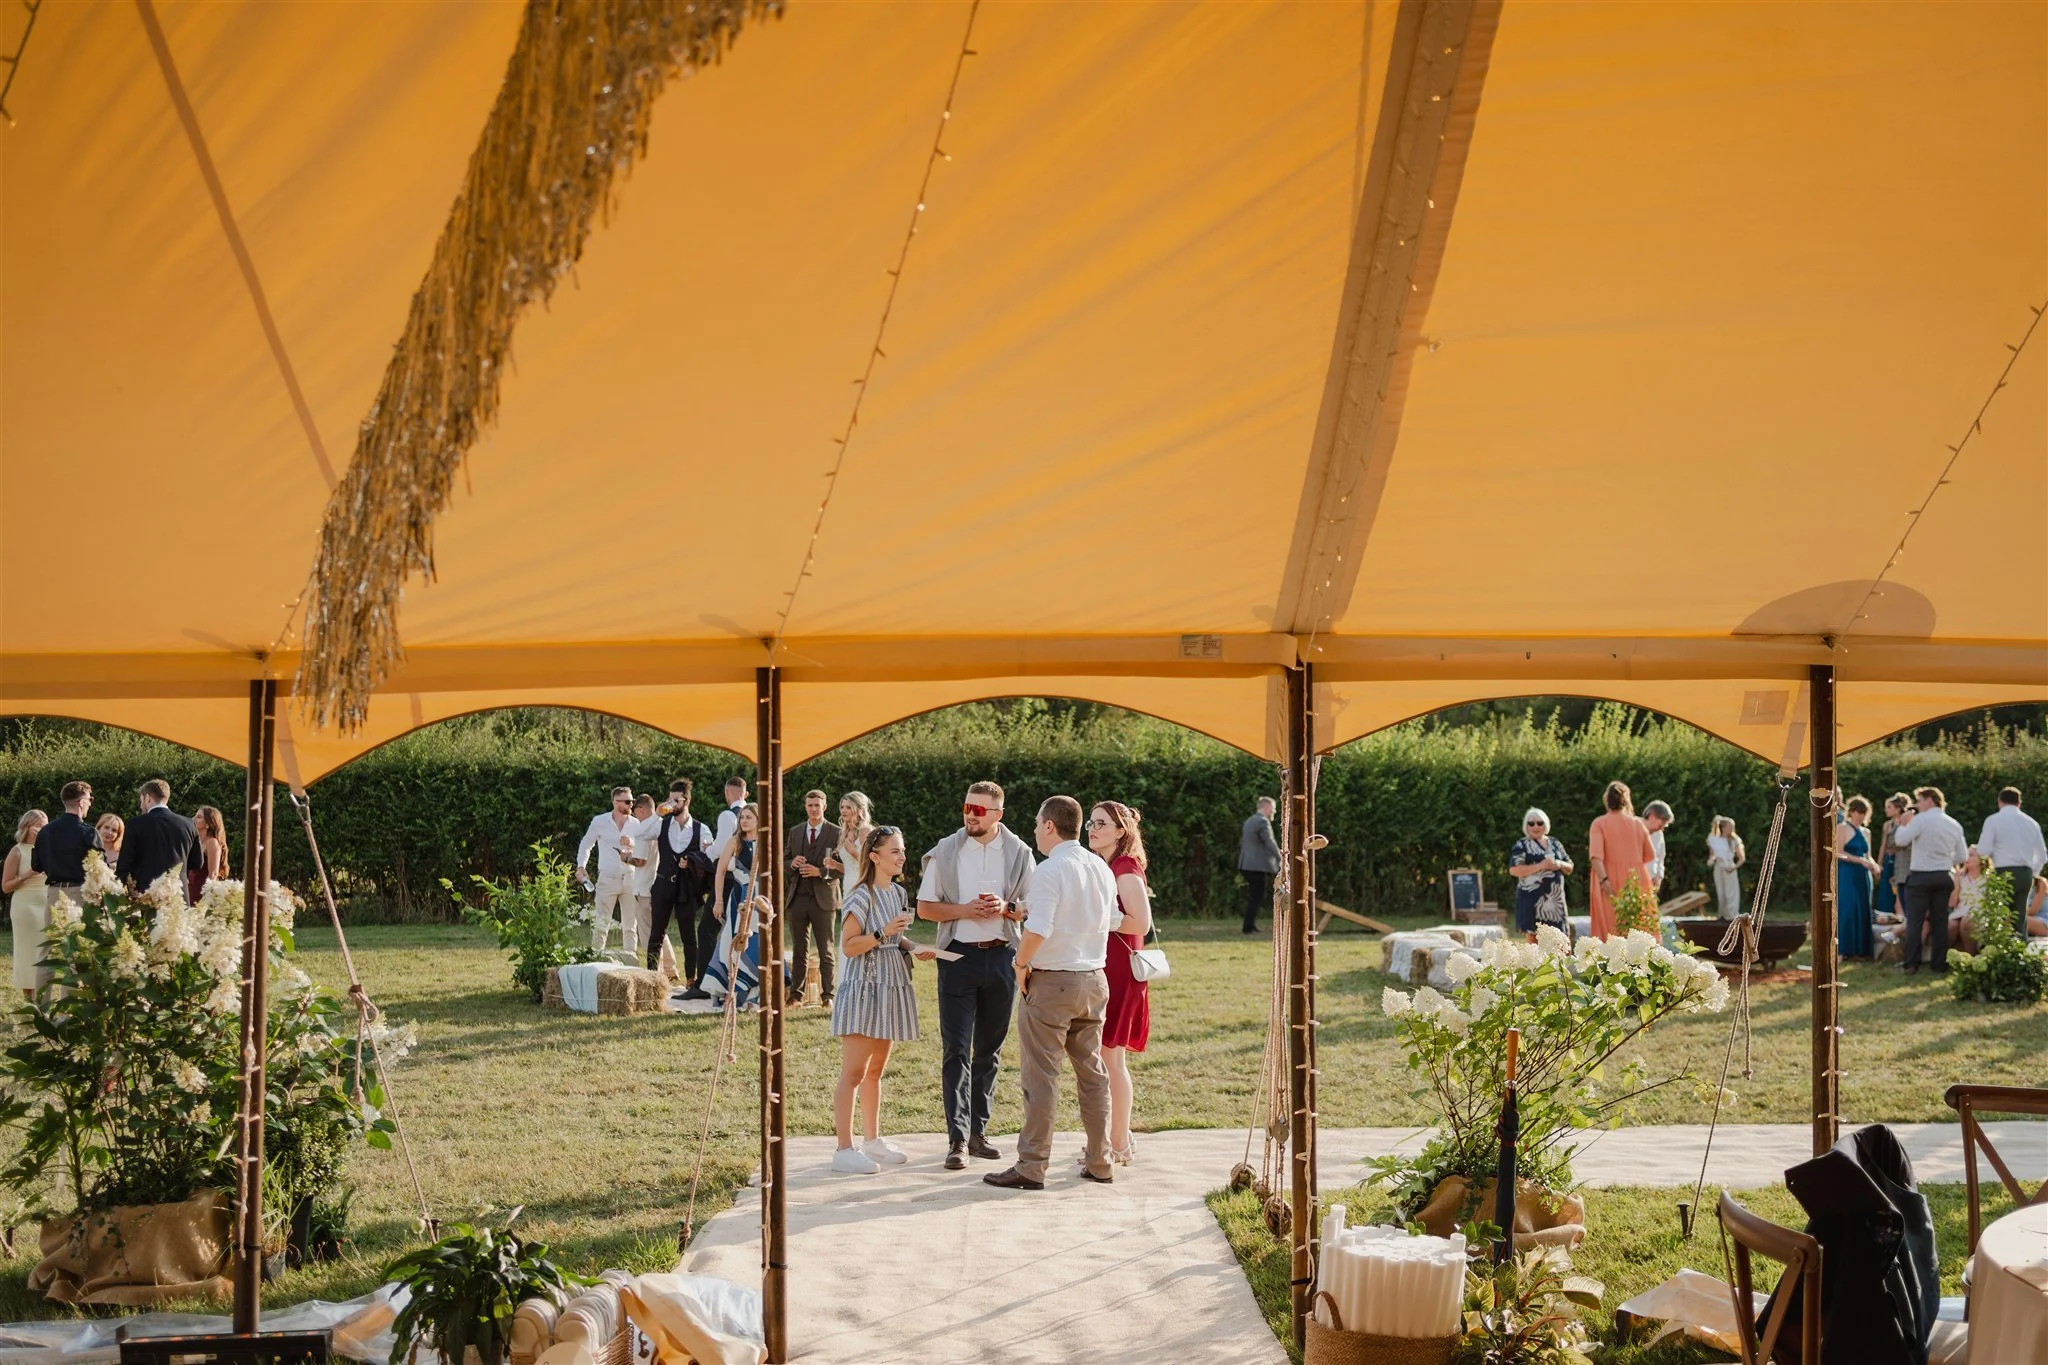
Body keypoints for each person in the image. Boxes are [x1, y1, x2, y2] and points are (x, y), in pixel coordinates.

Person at [985, 795, 1120, 1192]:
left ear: (1048, 826)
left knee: (1041, 1075)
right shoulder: (1100, 866)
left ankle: (1032, 1165)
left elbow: (1039, 929)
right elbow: (1112, 919)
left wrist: (1020, 966)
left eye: (1036, 822)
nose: (1034, 829)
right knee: (1093, 1074)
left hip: (1052, 982)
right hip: (1094, 979)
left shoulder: (1049, 870)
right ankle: (1100, 1160)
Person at [917, 781, 1035, 1171]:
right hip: (957, 959)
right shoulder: (946, 850)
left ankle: (978, 1134)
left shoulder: (1020, 853)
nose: (970, 814)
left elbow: (1033, 906)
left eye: (979, 810)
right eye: (967, 806)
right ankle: (956, 1140)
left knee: (989, 1051)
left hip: (1002, 960)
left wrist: (1008, 907)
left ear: (998, 814)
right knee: (956, 1050)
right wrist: (965, 910)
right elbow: (925, 908)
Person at [829, 826, 935, 1173]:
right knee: (854, 1073)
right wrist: (882, 933)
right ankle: (844, 1150)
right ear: (874, 857)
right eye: (895, 851)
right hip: (865, 987)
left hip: (892, 984)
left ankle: (872, 1142)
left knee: (875, 1071)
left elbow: (896, 938)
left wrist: (914, 946)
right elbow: (849, 946)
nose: (902, 856)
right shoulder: (860, 896)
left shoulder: (899, 893)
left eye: (902, 850)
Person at [1087, 801, 1151, 1167]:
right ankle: (1115, 1137)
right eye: (1092, 823)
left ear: (1120, 831)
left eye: (1102, 823)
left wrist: (1100, 916)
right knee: (1104, 1057)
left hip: (1121, 972)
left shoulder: (1125, 868)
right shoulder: (1104, 866)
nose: (1093, 829)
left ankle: (1119, 1142)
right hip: (1103, 966)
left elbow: (1139, 924)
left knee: (1111, 1057)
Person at [30, 783, 100, 990]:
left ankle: (41, 1010)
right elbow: (98, 869)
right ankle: (67, 1012)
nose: (90, 803)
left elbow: (36, 865)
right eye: (89, 799)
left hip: (53, 892)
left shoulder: (45, 832)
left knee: (49, 950)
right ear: (80, 802)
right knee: (76, 950)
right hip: (80, 892)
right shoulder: (88, 832)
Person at [1892, 786, 1968, 975]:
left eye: (1919, 800)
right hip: (1943, 876)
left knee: (1915, 921)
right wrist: (1944, 861)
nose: (1917, 805)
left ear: (1930, 800)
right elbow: (1962, 856)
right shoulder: (1954, 824)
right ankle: (1939, 964)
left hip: (1921, 876)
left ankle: (1911, 964)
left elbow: (1901, 841)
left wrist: (1903, 823)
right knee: (1940, 921)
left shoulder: (1919, 820)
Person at [648, 780, 714, 987]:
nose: (672, 804)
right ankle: (651, 980)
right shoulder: (661, 824)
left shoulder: (701, 829)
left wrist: (693, 860)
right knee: (656, 933)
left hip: (686, 888)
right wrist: (657, 814)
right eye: (670, 799)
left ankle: (690, 980)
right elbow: (639, 834)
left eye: (676, 800)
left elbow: (710, 857)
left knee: (688, 935)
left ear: (687, 800)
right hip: (663, 884)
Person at [704, 804, 765, 1007]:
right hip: (739, 896)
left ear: (758, 819)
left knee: (757, 942)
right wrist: (719, 901)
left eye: (749, 817)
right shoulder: (735, 841)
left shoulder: (767, 841)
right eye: (742, 818)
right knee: (736, 939)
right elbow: (720, 870)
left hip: (761, 899)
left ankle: (754, 994)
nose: (744, 821)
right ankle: (732, 991)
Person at [785, 790, 842, 1008]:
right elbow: (784, 860)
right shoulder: (796, 831)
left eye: (817, 805)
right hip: (798, 897)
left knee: (825, 949)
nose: (813, 809)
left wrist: (820, 872)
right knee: (799, 949)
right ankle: (796, 996)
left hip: (824, 898)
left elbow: (846, 868)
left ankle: (828, 996)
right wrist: (793, 863)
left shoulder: (837, 833)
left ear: (825, 807)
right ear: (805, 806)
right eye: (810, 805)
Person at [573, 786, 642, 954]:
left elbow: (646, 850)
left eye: (631, 801)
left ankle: (630, 965)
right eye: (627, 801)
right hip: (607, 878)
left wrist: (632, 844)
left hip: (631, 878)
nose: (631, 805)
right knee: (601, 924)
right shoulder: (599, 821)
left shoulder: (636, 823)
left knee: (630, 926)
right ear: (615, 802)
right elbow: (586, 844)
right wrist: (581, 866)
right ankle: (595, 962)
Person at [1586, 781, 1656, 939]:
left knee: (1611, 928)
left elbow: (1596, 857)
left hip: (1609, 879)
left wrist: (1604, 880)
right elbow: (1649, 855)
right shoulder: (1638, 824)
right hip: (1636, 879)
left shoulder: (1599, 823)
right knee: (1639, 925)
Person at [1976, 787, 2047, 934]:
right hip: (2025, 872)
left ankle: (2000, 952)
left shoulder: (1993, 820)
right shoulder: (2031, 823)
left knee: (2001, 916)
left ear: (1999, 802)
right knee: (2020, 917)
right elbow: (2042, 855)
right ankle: (2020, 952)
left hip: (2003, 871)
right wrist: (2033, 872)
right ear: (2019, 803)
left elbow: (1983, 850)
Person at [116, 779, 200, 899]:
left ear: (148, 798)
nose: (140, 805)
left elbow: (124, 864)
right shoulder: (189, 824)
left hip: (147, 896)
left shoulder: (135, 824)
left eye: (141, 801)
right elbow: (197, 862)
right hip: (178, 894)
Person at [1506, 808, 1573, 939]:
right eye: (1531, 823)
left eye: (1539, 823)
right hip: (1532, 902)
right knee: (1534, 942)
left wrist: (1559, 864)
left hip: (1556, 903)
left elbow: (1570, 866)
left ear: (1546, 824)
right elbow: (1514, 869)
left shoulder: (1555, 843)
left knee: (1562, 943)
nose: (1535, 826)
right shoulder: (1522, 845)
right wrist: (1540, 866)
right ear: (1526, 826)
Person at [5, 810, 50, 996]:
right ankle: (29, 999)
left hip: (48, 904)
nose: (42, 829)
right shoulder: (17, 851)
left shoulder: (49, 849)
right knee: (28, 952)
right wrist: (27, 874)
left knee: (46, 953)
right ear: (27, 827)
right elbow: (6, 886)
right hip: (26, 906)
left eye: (45, 825)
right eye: (38, 825)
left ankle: (44, 996)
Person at [1835, 796, 1879, 960]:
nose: (1860, 815)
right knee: (1847, 908)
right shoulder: (1842, 828)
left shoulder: (1866, 832)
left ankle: (1862, 951)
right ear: (1851, 812)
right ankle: (1844, 950)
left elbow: (1869, 855)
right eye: (1858, 812)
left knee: (1863, 908)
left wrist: (1874, 865)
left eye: (1863, 812)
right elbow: (1838, 852)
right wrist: (1857, 860)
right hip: (1847, 872)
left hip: (1863, 875)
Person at [1237, 796, 1281, 934]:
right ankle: (1248, 927)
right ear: (1266, 807)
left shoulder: (1250, 820)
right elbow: (1269, 842)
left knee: (1254, 896)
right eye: (1272, 809)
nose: (1273, 812)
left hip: (1246, 863)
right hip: (1256, 866)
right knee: (1257, 896)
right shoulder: (1263, 822)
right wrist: (1281, 858)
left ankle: (1249, 926)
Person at [624, 794, 660, 964]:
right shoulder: (661, 825)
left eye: (635, 812)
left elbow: (640, 861)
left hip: (644, 886)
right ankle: (670, 969)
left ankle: (654, 969)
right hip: (658, 883)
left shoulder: (644, 829)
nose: (634, 816)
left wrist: (625, 858)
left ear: (641, 809)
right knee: (660, 931)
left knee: (647, 933)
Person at [828, 792, 874, 904]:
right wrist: (836, 865)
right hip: (848, 886)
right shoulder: (844, 833)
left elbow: (872, 864)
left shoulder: (866, 831)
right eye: (842, 807)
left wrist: (853, 852)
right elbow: (850, 869)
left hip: (864, 886)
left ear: (859, 810)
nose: (843, 810)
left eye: (848, 807)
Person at [1875, 794, 1909, 921]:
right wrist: (1879, 864)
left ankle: (1901, 920)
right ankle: (1884, 919)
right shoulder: (1887, 825)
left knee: (1900, 893)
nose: (1886, 810)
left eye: (1889, 807)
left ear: (1898, 808)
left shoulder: (1907, 822)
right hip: (1889, 861)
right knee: (1886, 892)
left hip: (1902, 862)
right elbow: (1883, 845)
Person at [1947, 848, 1988, 952]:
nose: (1966, 857)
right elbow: (1951, 904)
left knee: (1967, 921)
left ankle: (1971, 956)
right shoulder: (1960, 877)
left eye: (1971, 855)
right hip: (1959, 913)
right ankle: (1945, 957)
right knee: (1951, 925)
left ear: (1980, 860)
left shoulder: (1988, 879)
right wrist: (1956, 884)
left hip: (1979, 915)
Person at [1706, 816, 1746, 920]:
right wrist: (1711, 860)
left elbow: (1742, 858)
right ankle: (1722, 915)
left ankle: (1731, 915)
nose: (1732, 829)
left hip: (1729, 867)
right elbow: (1713, 854)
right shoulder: (1713, 839)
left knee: (1731, 893)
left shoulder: (1734, 840)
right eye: (1730, 827)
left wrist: (1733, 867)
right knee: (1721, 892)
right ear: (1723, 828)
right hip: (1719, 866)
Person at [190, 805, 230, 903]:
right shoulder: (195, 840)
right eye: (195, 815)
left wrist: (206, 898)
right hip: (189, 886)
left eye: (199, 817)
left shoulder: (212, 842)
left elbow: (213, 873)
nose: (193, 819)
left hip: (201, 890)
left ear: (208, 824)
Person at [1642, 800, 1674, 893]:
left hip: (1650, 886)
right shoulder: (1632, 827)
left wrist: (1659, 876)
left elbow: (1661, 858)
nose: (1662, 829)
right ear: (1652, 817)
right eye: (1660, 825)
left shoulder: (1659, 834)